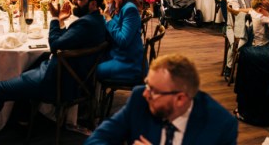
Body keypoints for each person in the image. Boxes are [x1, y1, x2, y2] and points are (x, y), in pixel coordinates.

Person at [0, 0, 107, 145]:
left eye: (80, 0)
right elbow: (68, 39)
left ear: (93, 3)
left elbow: (55, 44)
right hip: (72, 76)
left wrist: (54, 19)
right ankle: (23, 116)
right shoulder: (97, 21)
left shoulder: (85, 24)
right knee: (30, 64)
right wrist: (61, 22)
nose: (74, 3)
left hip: (59, 81)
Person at [86, 54, 238, 145]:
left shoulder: (221, 125)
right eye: (147, 85)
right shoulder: (140, 100)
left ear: (180, 99)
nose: (146, 94)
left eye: (153, 90)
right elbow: (96, 139)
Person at [97, 0, 143, 81]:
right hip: (116, 54)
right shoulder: (117, 4)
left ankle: (94, 97)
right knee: (88, 61)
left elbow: (123, 40)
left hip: (128, 62)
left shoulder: (129, 9)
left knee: (92, 68)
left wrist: (107, 18)